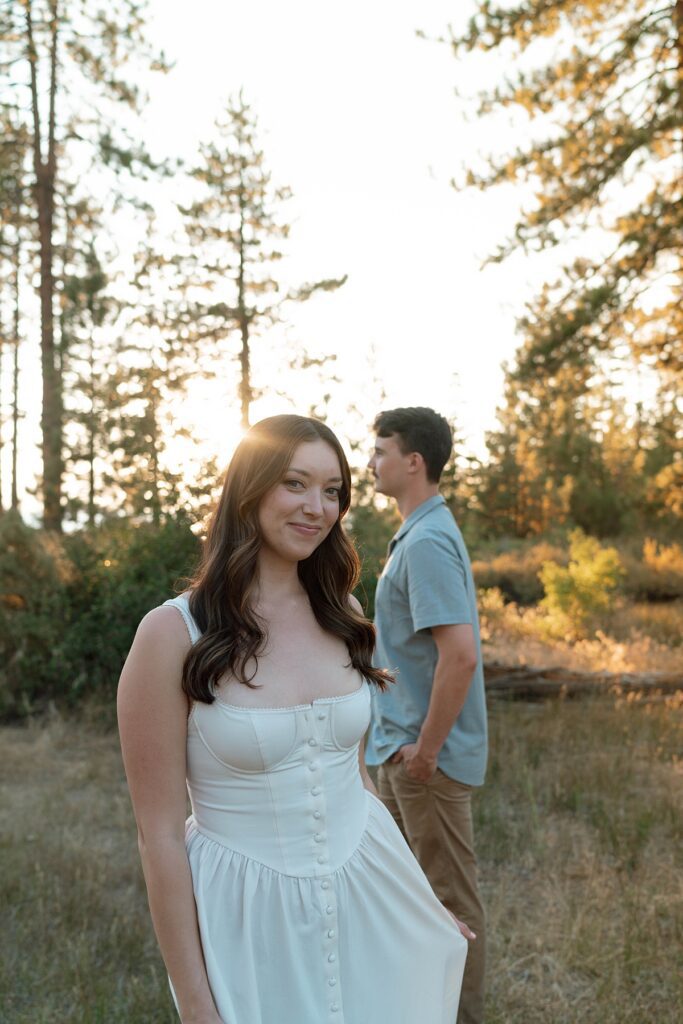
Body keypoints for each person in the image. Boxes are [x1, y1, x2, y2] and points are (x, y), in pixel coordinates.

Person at [117, 414, 471, 1024]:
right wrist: (196, 1004)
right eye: (295, 484)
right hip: (247, 922)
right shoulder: (171, 633)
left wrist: (417, 899)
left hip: (364, 898)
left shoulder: (344, 614)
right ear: (250, 489)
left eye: (332, 490)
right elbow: (160, 836)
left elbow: (355, 782)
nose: (317, 508)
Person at [364, 406, 488, 1024]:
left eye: (381, 450)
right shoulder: (417, 534)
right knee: (404, 899)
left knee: (448, 904)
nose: (371, 462)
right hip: (401, 749)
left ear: (414, 462)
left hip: (423, 761)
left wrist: (426, 753)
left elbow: (459, 656)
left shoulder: (428, 541)